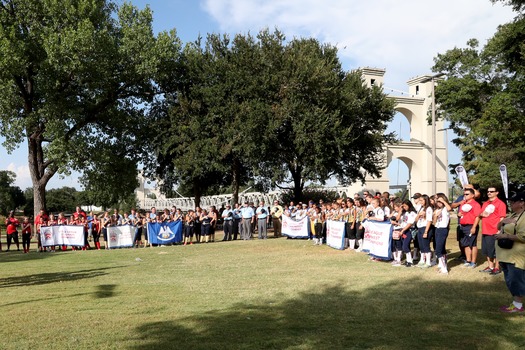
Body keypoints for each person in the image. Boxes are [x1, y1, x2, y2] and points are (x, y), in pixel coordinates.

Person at [495, 192, 525, 312]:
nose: (511, 204)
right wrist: (503, 222)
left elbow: (523, 236)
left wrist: (505, 236)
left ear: (522, 203)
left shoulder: (523, 217)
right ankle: (515, 303)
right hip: (505, 255)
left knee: (515, 280)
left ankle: (518, 306)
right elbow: (498, 227)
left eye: (513, 202)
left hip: (516, 256)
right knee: (510, 280)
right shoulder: (512, 214)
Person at [479, 186, 507, 275]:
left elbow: (502, 218)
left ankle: (497, 268)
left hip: (494, 230)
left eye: (491, 191)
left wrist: (499, 229)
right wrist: (481, 214)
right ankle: (490, 266)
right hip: (485, 230)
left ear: (497, 192)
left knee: (495, 250)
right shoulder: (485, 203)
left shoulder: (500, 204)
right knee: (487, 250)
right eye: (488, 191)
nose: (489, 193)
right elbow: (481, 215)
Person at [458, 187, 482, 268]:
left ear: (472, 195)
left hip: (471, 225)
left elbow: (477, 217)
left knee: (472, 244)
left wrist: (474, 227)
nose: (465, 195)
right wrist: (459, 214)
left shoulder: (476, 204)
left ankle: (473, 262)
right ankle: (468, 260)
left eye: (467, 194)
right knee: (465, 244)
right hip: (463, 226)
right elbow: (461, 213)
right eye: (464, 194)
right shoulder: (463, 203)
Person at [434, 194, 451, 274]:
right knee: (441, 248)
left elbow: (449, 208)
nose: (438, 203)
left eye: (440, 201)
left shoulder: (445, 209)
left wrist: (443, 201)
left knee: (438, 250)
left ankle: (444, 269)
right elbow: (434, 223)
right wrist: (435, 216)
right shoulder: (438, 210)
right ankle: (442, 264)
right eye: (437, 201)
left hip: (443, 229)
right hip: (437, 228)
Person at [415, 194, 434, 268]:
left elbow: (429, 220)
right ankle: (422, 260)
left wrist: (426, 231)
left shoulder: (429, 209)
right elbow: (416, 220)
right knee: (421, 245)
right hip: (419, 227)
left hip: (425, 227)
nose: (420, 202)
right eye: (420, 200)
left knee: (426, 245)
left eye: (422, 200)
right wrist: (419, 215)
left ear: (426, 200)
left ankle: (428, 261)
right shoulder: (420, 208)